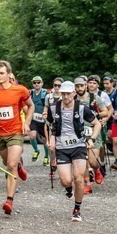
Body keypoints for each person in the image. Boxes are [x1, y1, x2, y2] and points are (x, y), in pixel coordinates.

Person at [0, 60, 33, 216]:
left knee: (10, 164)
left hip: (15, 131)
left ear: (9, 74)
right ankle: (18, 166)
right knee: (7, 162)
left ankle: (9, 200)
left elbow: (30, 106)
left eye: (2, 73)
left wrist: (27, 123)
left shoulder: (20, 90)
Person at [46, 81, 101, 222]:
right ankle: (69, 189)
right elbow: (49, 125)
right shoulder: (54, 108)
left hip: (78, 146)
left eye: (68, 93)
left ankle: (77, 209)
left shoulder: (82, 108)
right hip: (62, 147)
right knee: (65, 180)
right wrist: (51, 139)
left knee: (78, 178)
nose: (65, 96)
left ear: (74, 94)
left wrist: (92, 139)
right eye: (63, 93)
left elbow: (97, 124)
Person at [27, 76, 49, 164]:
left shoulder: (46, 93)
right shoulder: (30, 93)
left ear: (42, 83)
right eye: (34, 83)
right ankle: (36, 150)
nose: (36, 84)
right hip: (33, 119)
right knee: (32, 136)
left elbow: (48, 105)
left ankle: (46, 156)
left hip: (43, 119)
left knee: (44, 139)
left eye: (38, 82)